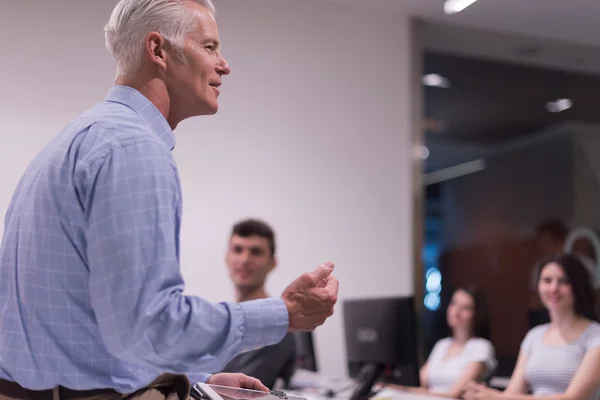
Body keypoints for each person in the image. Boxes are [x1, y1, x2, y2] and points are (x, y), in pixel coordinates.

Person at [0, 1, 339, 400]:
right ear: (158, 51)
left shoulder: (80, 137)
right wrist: (285, 313)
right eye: (210, 47)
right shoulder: (133, 149)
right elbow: (150, 324)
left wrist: (193, 378)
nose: (225, 64)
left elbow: (107, 331)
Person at [465, 254, 600, 400]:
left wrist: (496, 396)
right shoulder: (534, 336)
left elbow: (571, 398)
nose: (554, 288)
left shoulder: (595, 335)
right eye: (547, 280)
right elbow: (512, 393)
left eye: (563, 281)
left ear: (577, 286)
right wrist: (482, 393)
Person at [220, 219, 297, 389]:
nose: (245, 259)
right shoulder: (224, 321)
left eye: (256, 252)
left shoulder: (274, 326)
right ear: (227, 257)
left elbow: (234, 393)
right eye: (238, 250)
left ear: (272, 263)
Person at [392, 286, 496, 399]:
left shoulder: (481, 347)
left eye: (465, 307)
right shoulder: (442, 345)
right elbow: (420, 381)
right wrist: (395, 386)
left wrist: (405, 390)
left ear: (477, 315)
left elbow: (453, 395)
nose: (456, 311)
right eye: (454, 303)